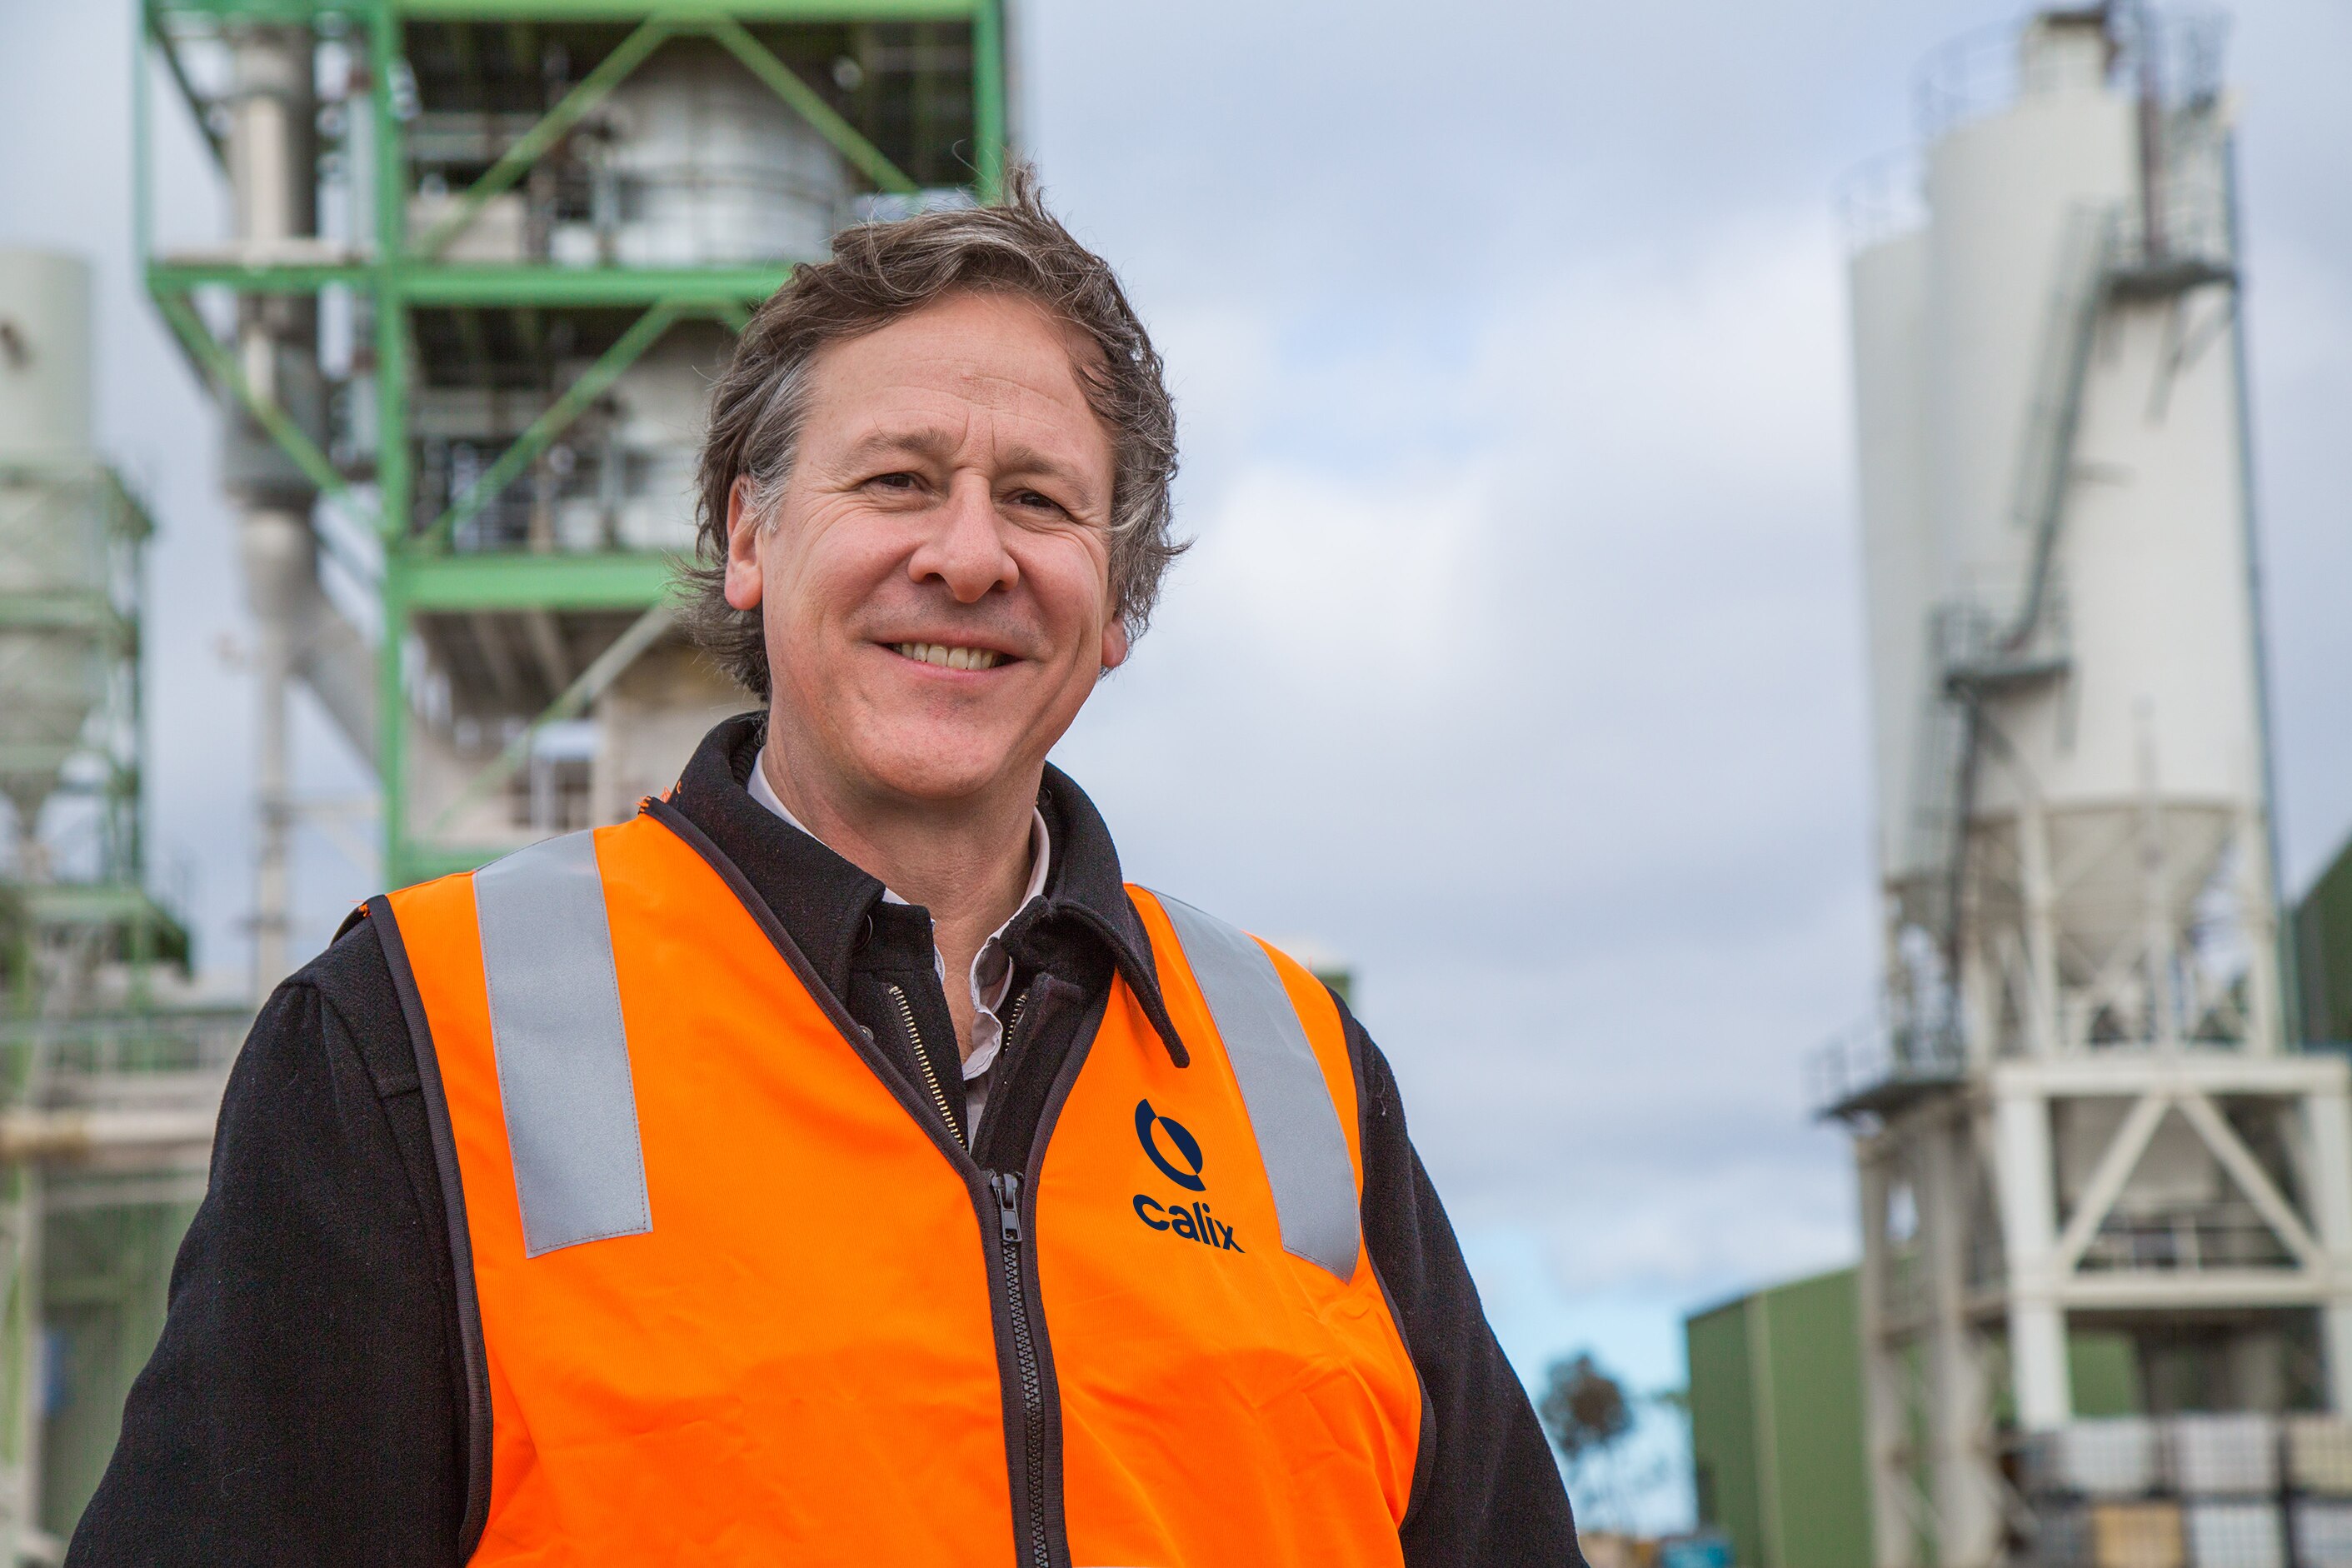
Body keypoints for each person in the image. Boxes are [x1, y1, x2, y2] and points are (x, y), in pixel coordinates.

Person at [69, 170, 1580, 1566]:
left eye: (1042, 500)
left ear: (1116, 601)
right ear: (750, 534)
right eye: (900, 480)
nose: (970, 556)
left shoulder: (1301, 1076)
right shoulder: (416, 1032)